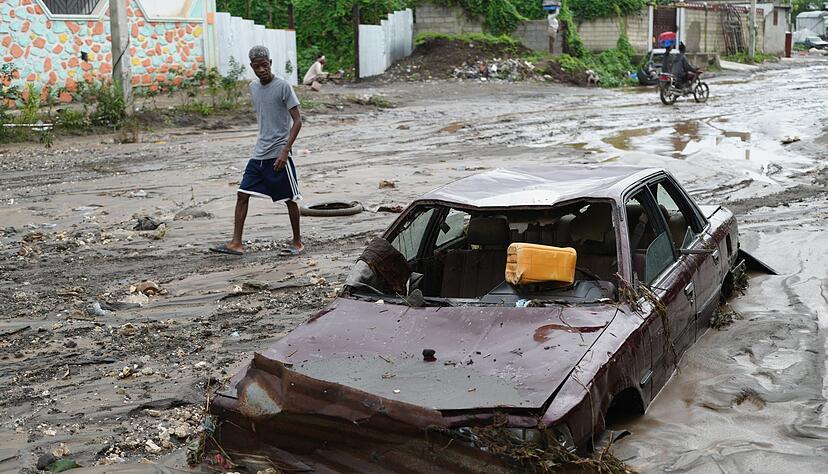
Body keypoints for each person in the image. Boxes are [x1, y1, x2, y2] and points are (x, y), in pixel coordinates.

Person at [211, 45, 304, 256]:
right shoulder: (253, 87)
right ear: (251, 67)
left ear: (270, 63)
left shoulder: (283, 87)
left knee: (290, 199)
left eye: (264, 65)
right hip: (259, 154)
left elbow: (297, 120)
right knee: (242, 194)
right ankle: (236, 243)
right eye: (256, 67)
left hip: (279, 154)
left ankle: (297, 242)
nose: (261, 70)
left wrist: (285, 151)